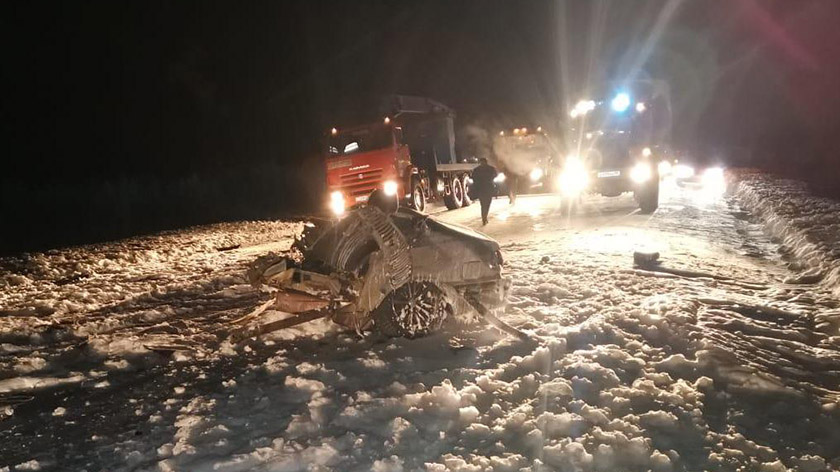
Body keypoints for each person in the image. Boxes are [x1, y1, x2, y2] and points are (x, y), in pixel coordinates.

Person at [470, 158, 498, 225]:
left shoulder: (476, 170)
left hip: (481, 189)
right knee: (487, 204)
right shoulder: (491, 168)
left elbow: (473, 178)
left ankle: (484, 218)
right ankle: (484, 217)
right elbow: (495, 175)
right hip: (488, 188)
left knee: (483, 204)